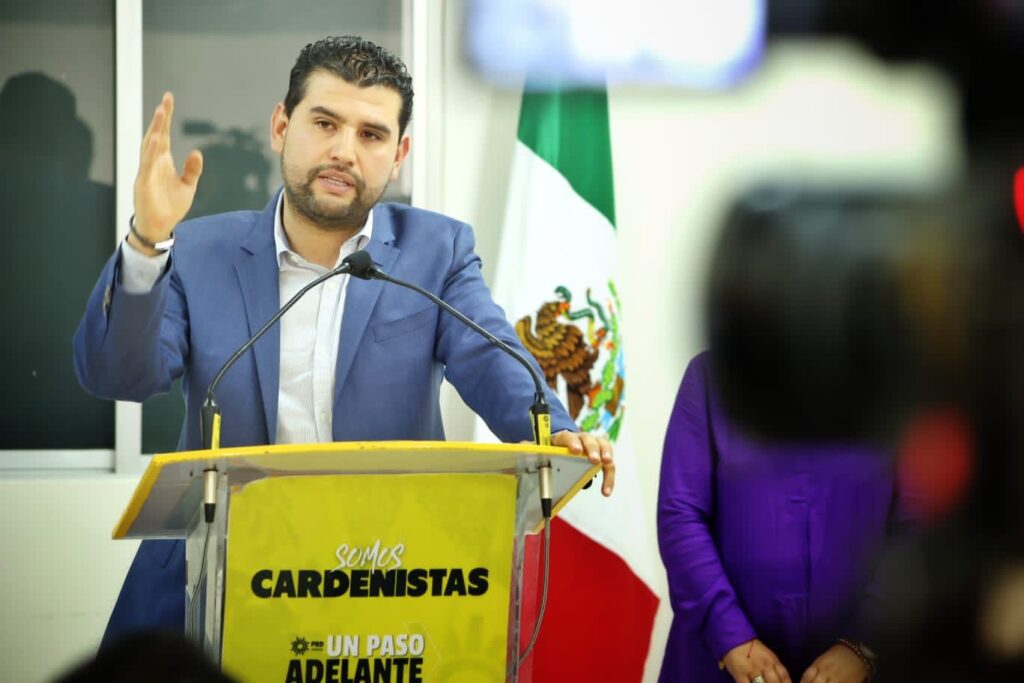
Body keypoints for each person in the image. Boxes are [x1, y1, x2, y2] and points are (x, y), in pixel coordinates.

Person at [74, 35, 614, 646]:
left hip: (380, 579)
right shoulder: (200, 250)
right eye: (325, 123)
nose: (343, 151)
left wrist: (553, 431)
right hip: (214, 580)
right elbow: (119, 376)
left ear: (399, 153)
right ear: (282, 127)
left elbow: (489, 355)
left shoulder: (436, 252)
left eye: (371, 134)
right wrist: (147, 243)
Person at [657, 352, 915, 683]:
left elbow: (919, 524)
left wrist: (864, 645)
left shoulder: (895, 379)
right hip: (722, 658)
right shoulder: (712, 374)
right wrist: (730, 635)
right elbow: (681, 513)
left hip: (861, 662)